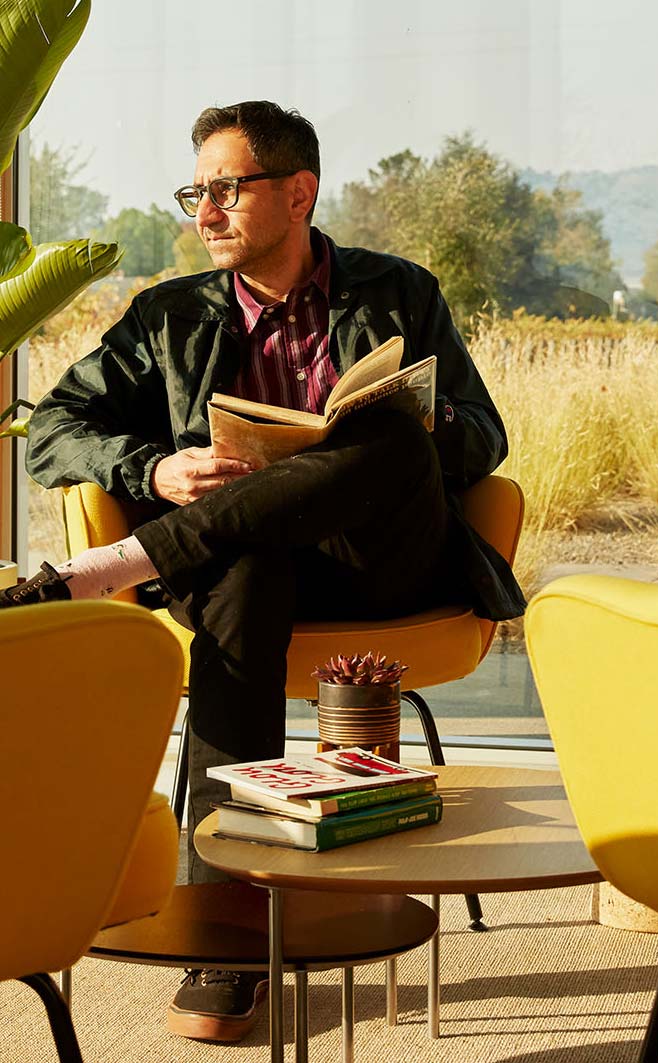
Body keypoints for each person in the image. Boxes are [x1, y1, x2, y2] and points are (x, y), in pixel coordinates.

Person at [7, 100, 523, 1042]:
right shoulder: (165, 317)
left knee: (395, 446)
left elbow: (487, 440)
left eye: (225, 189)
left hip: (377, 569)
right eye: (194, 190)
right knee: (245, 574)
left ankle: (110, 568)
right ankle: (226, 935)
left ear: (298, 193)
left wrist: (420, 421)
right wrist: (154, 468)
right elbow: (51, 428)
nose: (204, 211)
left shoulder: (400, 293)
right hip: (241, 568)